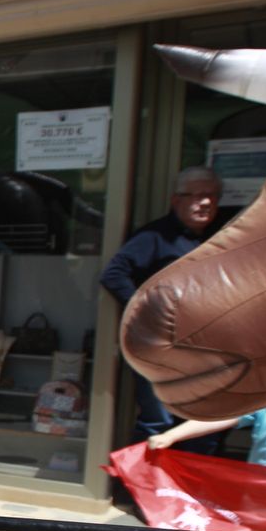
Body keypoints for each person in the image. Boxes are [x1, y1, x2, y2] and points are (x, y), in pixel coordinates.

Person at [100, 167, 224, 445]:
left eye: (211, 196)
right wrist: (148, 312)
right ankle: (143, 487)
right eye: (196, 196)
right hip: (161, 349)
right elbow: (113, 275)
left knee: (202, 424)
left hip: (208, 348)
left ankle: (188, 488)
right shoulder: (156, 236)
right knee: (159, 422)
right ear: (176, 200)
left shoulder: (224, 236)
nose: (204, 202)